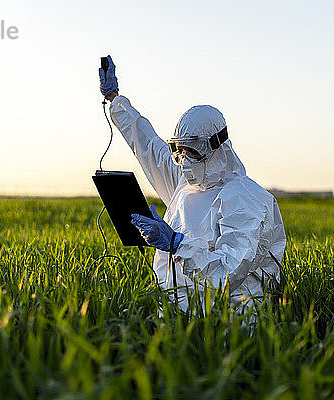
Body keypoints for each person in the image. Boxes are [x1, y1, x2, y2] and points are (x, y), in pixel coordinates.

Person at [99, 55, 286, 311]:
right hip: (177, 316)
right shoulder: (185, 184)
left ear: (218, 146)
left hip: (232, 324)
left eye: (194, 149)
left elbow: (228, 273)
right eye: (179, 149)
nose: (184, 160)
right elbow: (146, 143)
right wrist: (115, 100)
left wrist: (177, 243)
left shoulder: (247, 200)